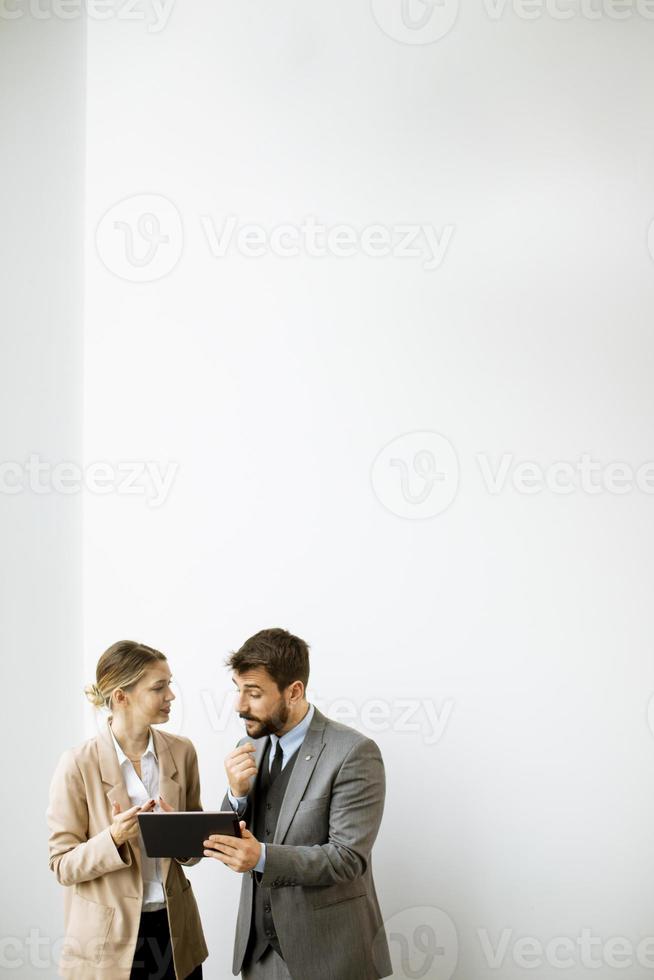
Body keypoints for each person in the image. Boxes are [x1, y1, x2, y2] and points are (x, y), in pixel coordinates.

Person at [202, 628, 392, 980]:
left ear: (294, 691)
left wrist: (261, 857)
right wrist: (236, 794)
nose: (239, 705)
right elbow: (228, 835)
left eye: (254, 693)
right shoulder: (250, 744)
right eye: (238, 689)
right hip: (257, 956)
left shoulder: (353, 753)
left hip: (330, 956)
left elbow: (348, 859)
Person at [47, 640, 208, 980]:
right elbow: (62, 865)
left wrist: (182, 835)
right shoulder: (77, 764)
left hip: (174, 933)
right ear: (121, 697)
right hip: (108, 944)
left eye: (170, 684)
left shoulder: (183, 752)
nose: (171, 696)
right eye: (159, 687)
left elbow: (195, 852)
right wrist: (114, 838)